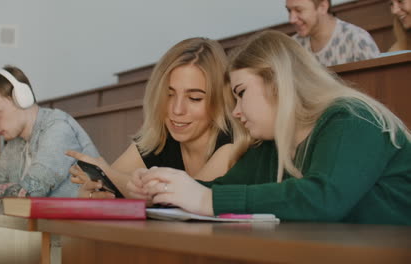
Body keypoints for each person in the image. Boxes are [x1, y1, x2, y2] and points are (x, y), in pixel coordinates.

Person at [130, 30, 411, 225]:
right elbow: (219, 189)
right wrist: (163, 190)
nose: (236, 111)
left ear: (277, 85)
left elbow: (323, 198)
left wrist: (205, 198)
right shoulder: (271, 143)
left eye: (241, 93)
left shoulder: (353, 119)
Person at [67, 37, 249, 199]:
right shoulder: (158, 137)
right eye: (169, 95)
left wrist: (110, 175)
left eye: (195, 98)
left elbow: (188, 201)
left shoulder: (233, 143)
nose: (177, 110)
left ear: (220, 99)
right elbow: (110, 184)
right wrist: (94, 191)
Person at [0, 65, 99, 201]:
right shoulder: (15, 143)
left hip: (77, 230)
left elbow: (30, 192)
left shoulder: (58, 129)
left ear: (22, 99)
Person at [286, 0, 380, 66]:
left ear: (323, 7)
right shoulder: (292, 46)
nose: (291, 19)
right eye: (289, 10)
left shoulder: (357, 39)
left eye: (299, 10)